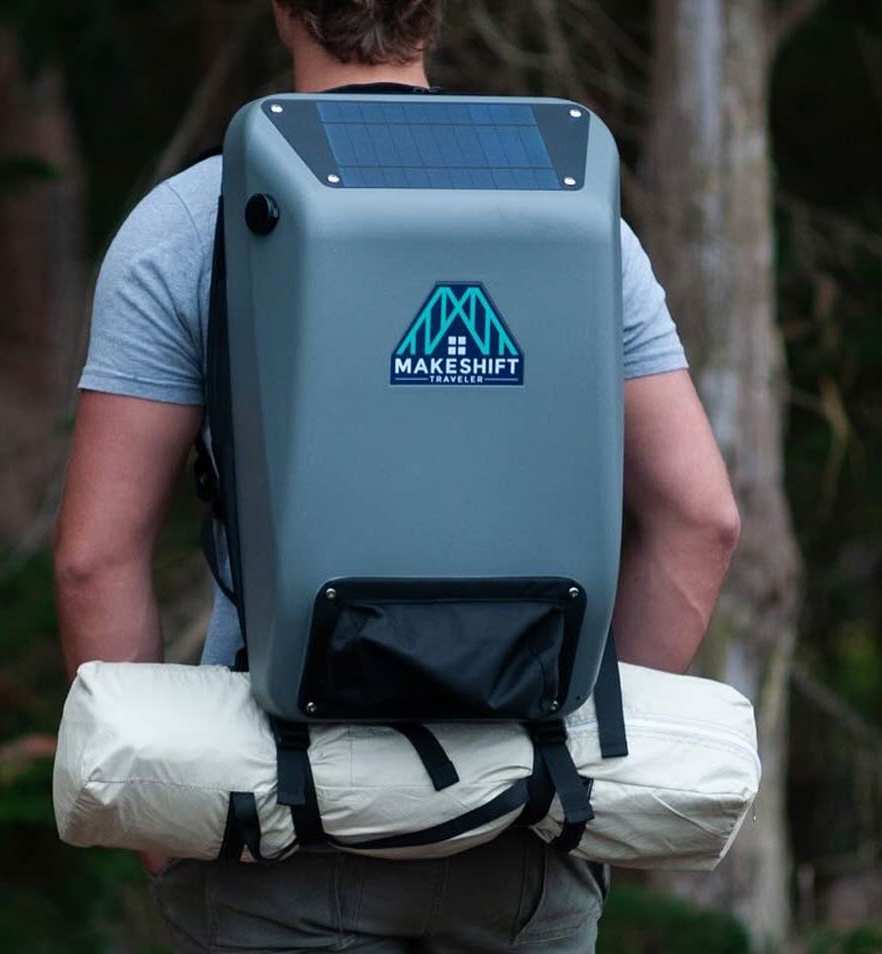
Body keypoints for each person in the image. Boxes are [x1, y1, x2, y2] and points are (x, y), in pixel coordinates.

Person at [53, 1, 741, 950]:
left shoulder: (188, 225)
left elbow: (96, 559)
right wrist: (565, 761)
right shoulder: (577, 219)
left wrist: (162, 823)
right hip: (518, 859)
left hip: (278, 838)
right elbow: (702, 519)